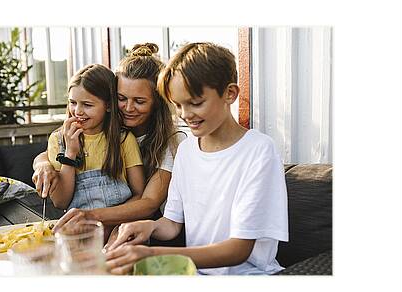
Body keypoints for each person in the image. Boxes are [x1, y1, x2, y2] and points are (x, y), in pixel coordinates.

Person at [105, 42, 289, 275]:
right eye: (178, 105)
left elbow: (238, 250)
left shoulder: (259, 151)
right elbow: (171, 225)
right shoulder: (186, 151)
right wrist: (148, 227)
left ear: (229, 94)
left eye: (195, 103)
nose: (185, 114)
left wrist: (150, 254)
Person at [32, 43, 185, 233]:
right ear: (111, 100)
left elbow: (148, 203)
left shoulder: (170, 142)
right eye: (121, 98)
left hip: (153, 227)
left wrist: (90, 217)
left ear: (157, 103)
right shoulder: (105, 128)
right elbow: (53, 152)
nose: (128, 108)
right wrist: (42, 165)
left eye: (139, 101)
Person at [44, 63, 145, 241]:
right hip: (79, 232)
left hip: (120, 227)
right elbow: (61, 201)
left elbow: (139, 194)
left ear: (107, 105)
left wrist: (112, 225)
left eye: (87, 105)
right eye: (73, 103)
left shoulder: (122, 139)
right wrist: (70, 154)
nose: (78, 111)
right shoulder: (58, 140)